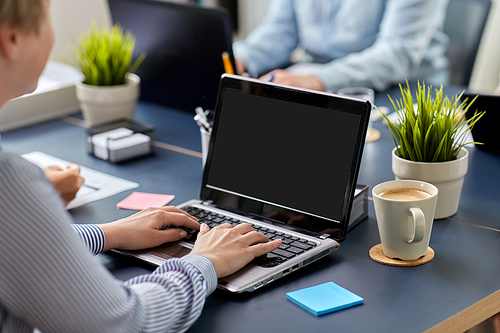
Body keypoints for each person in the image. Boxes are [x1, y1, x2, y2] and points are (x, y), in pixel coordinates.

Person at [0, 1, 281, 332]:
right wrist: (206, 261)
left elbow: (19, 247)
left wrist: (110, 233)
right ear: (12, 38)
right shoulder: (10, 181)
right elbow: (125, 322)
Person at [233, 0, 450, 93]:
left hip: (402, 92)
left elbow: (396, 53)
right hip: (319, 83)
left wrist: (316, 80)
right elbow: (282, 28)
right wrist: (241, 57)